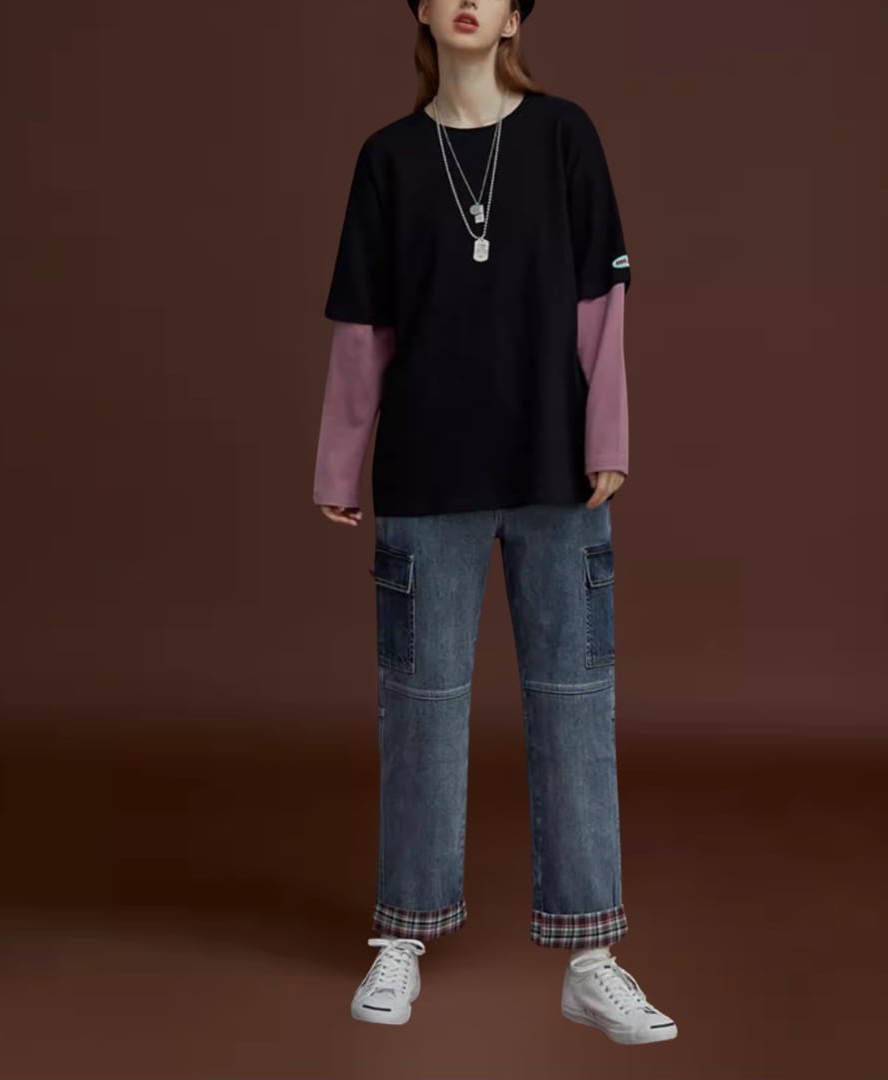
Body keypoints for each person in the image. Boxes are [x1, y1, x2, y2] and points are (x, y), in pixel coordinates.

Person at [313, 0, 677, 1046]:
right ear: (424, 13)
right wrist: (339, 458)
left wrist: (608, 437)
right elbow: (363, 325)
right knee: (419, 708)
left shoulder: (565, 136)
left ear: (516, 17)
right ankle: (403, 933)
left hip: (556, 469)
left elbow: (603, 305)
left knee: (575, 704)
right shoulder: (387, 158)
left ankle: (592, 958)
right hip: (427, 471)